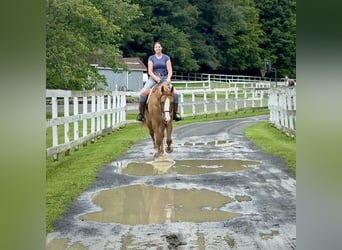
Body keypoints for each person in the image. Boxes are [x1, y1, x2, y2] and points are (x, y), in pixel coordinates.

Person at [136, 41, 182, 121]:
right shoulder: (151, 58)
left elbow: (170, 70)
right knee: (143, 92)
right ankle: (141, 113)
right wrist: (155, 78)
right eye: (156, 47)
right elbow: (150, 71)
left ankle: (175, 113)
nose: (158, 48)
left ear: (161, 48)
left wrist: (168, 78)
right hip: (153, 78)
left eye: (159, 47)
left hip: (164, 78)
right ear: (154, 49)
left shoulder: (166, 58)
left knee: (175, 93)